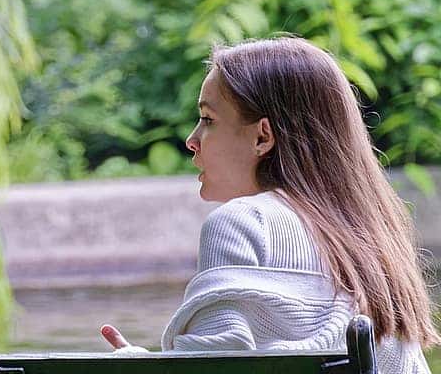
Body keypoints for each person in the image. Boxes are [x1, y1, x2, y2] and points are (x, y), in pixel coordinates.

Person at [101, 38, 438, 373]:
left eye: (208, 119)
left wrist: (132, 367)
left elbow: (208, 370)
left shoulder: (242, 222)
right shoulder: (373, 246)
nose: (192, 140)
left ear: (262, 137)